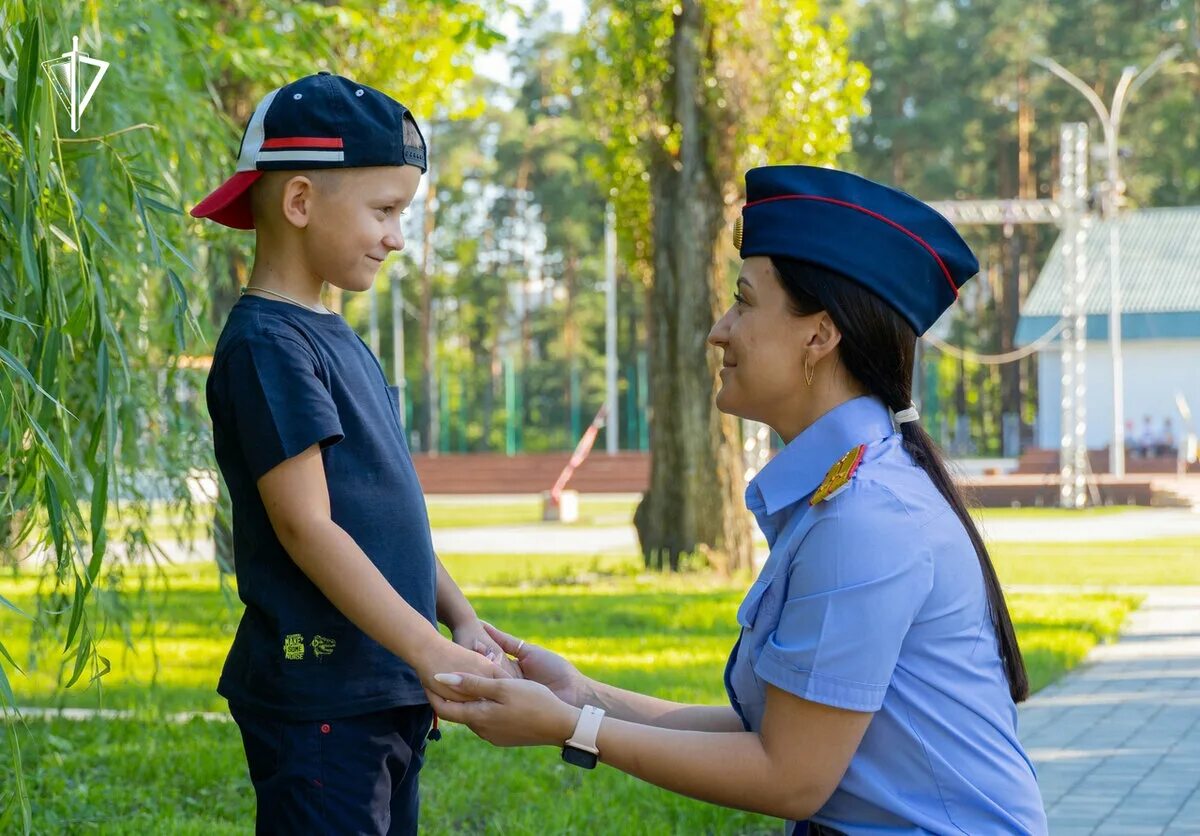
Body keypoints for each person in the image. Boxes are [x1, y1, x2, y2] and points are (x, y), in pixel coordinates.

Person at [429, 165, 1049, 835]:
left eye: (745, 302)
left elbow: (790, 777)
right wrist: (582, 695)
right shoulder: (846, 494)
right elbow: (775, 731)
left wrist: (576, 728)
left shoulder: (868, 517)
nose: (719, 330)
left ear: (820, 334)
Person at [191, 72, 512, 835]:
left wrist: (457, 622)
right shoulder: (268, 346)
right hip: (322, 697)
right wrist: (424, 647)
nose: (398, 236)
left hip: (381, 686)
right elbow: (307, 527)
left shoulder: (335, 336)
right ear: (299, 203)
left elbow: (384, 510)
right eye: (385, 210)